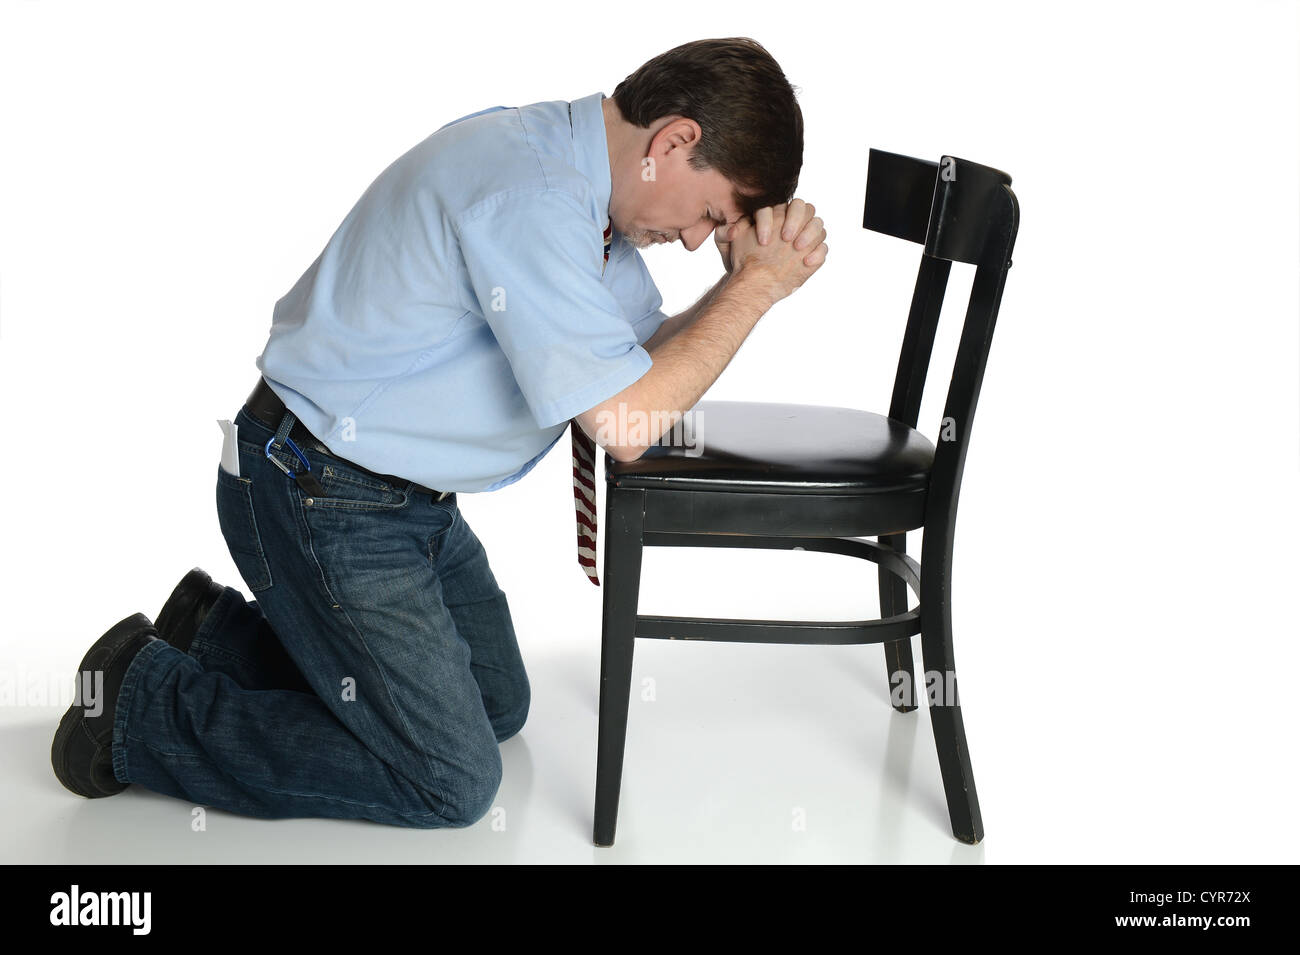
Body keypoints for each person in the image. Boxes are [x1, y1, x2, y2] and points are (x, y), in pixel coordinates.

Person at [50, 36, 829, 828]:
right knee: (451, 780)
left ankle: (216, 636)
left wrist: (742, 280)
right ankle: (140, 704)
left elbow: (638, 368)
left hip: (398, 501)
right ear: (675, 141)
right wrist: (757, 293)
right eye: (709, 213)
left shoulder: (577, 189)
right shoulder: (534, 199)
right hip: (317, 493)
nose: (698, 240)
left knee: (496, 699)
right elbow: (627, 425)